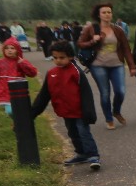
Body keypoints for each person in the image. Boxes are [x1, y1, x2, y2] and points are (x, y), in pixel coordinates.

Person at [32, 41, 101, 170]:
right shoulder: (51, 73)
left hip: (79, 112)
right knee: (73, 133)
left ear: (70, 57)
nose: (58, 60)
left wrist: (89, 112)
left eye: (62, 57)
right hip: (65, 111)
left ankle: (93, 155)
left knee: (84, 133)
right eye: (55, 57)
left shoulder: (76, 72)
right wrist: (32, 114)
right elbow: (43, 96)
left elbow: (86, 94)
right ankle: (81, 154)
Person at [78, 3, 136, 130]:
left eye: (109, 12)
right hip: (98, 65)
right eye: (104, 12)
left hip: (117, 64)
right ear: (99, 15)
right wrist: (93, 41)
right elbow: (80, 43)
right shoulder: (91, 29)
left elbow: (126, 49)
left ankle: (116, 111)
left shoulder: (118, 30)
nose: (107, 14)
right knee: (105, 93)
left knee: (120, 91)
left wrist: (132, 66)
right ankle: (109, 118)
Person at [0, 36, 38, 117]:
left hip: (19, 91)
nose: (9, 50)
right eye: (7, 48)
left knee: (20, 111)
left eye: (12, 48)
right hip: (4, 91)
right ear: (3, 50)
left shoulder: (21, 62)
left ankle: (20, 122)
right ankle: (17, 121)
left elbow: (32, 73)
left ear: (17, 50)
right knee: (10, 111)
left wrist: (23, 63)